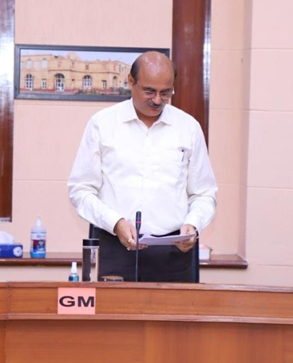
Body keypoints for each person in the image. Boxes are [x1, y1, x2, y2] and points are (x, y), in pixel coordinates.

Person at [67, 51, 217, 282]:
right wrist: (115, 223)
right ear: (130, 81)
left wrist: (193, 224)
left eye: (165, 92)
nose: (157, 100)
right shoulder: (102, 124)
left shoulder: (188, 128)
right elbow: (80, 190)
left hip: (175, 252)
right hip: (117, 248)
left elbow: (204, 193)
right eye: (149, 91)